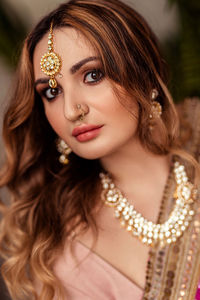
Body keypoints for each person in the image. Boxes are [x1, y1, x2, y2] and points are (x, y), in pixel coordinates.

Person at [0, 0, 200, 299]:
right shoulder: (69, 253)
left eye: (92, 75)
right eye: (52, 92)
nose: (71, 110)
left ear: (142, 74)